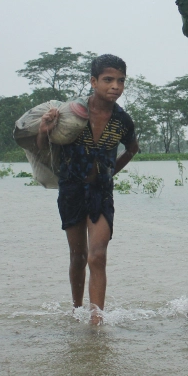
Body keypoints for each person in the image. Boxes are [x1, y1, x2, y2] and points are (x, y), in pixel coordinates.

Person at [36, 54, 139, 324]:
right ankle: (76, 308)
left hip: (101, 193)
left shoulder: (122, 121)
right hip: (71, 190)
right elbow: (43, 148)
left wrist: (110, 171)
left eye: (120, 81)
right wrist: (45, 128)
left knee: (98, 255)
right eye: (108, 80)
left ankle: (96, 318)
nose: (115, 86)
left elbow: (132, 148)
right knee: (78, 256)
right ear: (93, 82)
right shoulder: (71, 115)